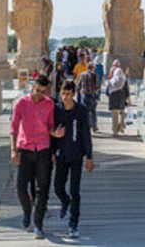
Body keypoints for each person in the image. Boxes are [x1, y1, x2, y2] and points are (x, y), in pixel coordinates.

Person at [11, 75, 65, 239]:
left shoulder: (49, 104)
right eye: (38, 90)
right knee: (20, 187)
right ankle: (27, 211)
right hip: (25, 149)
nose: (40, 94)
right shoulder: (21, 103)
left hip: (43, 149)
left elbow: (49, 126)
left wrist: (54, 133)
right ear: (33, 86)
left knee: (42, 189)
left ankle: (38, 224)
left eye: (43, 92)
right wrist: (13, 151)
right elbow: (13, 128)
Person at [51, 81, 94, 238]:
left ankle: (73, 224)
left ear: (73, 94)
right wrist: (52, 152)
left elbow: (85, 135)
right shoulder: (57, 109)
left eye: (68, 94)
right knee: (57, 187)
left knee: (75, 190)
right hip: (61, 155)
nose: (65, 97)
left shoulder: (81, 110)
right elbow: (52, 132)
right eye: (63, 93)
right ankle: (65, 202)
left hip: (76, 155)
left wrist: (89, 156)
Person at [106, 60, 129, 136]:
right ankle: (121, 127)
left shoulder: (111, 77)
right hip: (121, 98)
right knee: (122, 114)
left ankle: (115, 131)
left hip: (113, 98)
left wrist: (108, 94)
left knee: (115, 115)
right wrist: (128, 98)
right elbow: (126, 89)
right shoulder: (123, 77)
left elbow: (108, 89)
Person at [77, 66, 100, 132]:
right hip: (93, 95)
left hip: (85, 95)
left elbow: (79, 85)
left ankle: (87, 126)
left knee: (86, 111)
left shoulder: (82, 74)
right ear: (92, 68)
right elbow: (98, 86)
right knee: (93, 111)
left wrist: (79, 92)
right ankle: (94, 126)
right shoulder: (94, 75)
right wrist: (97, 96)